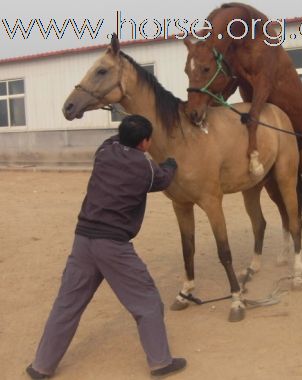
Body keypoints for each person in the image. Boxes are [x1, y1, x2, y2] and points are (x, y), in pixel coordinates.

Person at [26, 115, 186, 379]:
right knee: (147, 302)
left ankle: (41, 366)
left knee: (66, 305)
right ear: (145, 143)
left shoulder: (104, 150)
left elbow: (119, 140)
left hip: (82, 241)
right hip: (113, 246)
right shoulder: (145, 169)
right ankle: (161, 362)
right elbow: (164, 179)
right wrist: (170, 163)